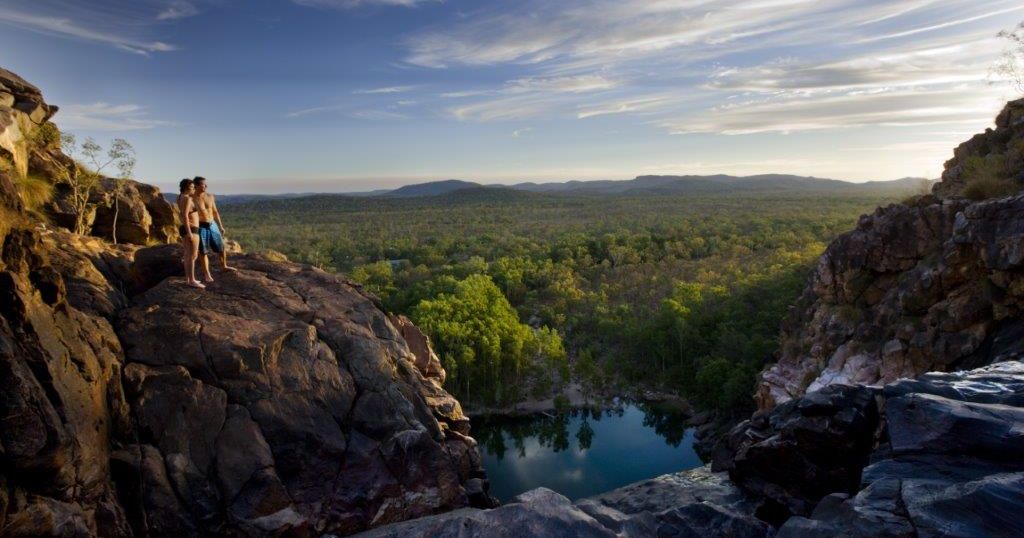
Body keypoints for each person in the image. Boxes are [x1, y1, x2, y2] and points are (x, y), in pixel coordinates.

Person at [192, 176, 235, 282]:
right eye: (203, 184)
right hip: (201, 225)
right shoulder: (191, 198)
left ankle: (224, 266)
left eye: (205, 184)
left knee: (221, 247)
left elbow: (215, 212)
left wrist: (220, 225)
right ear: (196, 186)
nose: (206, 186)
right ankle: (207, 274)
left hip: (212, 224)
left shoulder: (210, 196)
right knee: (203, 251)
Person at [177, 179, 204, 289]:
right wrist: (189, 233)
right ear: (187, 187)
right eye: (193, 187)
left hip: (186, 228)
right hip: (191, 229)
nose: (194, 189)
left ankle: (189, 279)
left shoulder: (180, 197)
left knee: (187, 255)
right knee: (193, 256)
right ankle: (192, 280)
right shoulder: (187, 199)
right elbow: (184, 215)